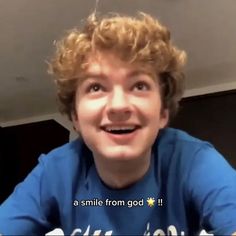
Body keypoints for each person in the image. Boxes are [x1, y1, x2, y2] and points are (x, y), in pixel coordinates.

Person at [0, 12, 236, 236]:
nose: (118, 105)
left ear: (163, 112)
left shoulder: (193, 160)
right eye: (96, 87)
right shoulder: (55, 171)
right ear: (75, 117)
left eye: (139, 86)